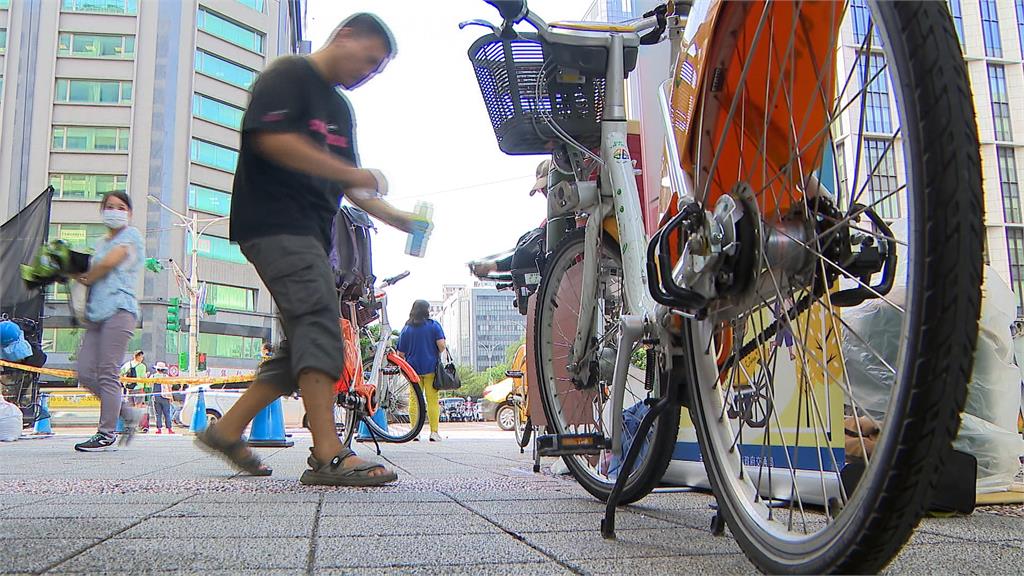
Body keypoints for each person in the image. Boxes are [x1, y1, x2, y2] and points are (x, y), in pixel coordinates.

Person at [195, 12, 420, 486]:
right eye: (369, 59)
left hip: (311, 233)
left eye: (379, 70)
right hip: (275, 222)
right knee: (322, 327)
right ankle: (326, 453)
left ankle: (229, 429)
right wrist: (351, 175)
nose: (370, 73)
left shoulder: (341, 111)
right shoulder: (288, 75)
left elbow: (355, 187)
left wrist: (398, 218)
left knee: (302, 342)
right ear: (346, 36)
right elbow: (271, 140)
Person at [73, 191, 145, 452]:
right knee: (84, 371)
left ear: (129, 212)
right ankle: (127, 413)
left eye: (120, 207)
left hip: (120, 310)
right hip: (96, 315)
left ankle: (106, 433)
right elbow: (93, 268)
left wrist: (88, 276)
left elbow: (113, 261)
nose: (114, 211)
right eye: (109, 206)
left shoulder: (131, 235)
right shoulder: (100, 242)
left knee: (107, 372)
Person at [396, 300, 447, 442]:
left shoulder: (407, 328)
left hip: (412, 370)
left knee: (414, 400)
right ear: (426, 310)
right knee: (432, 400)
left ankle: (414, 433)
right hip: (431, 367)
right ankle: (434, 433)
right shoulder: (433, 325)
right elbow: (442, 346)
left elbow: (400, 353)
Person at [150, 362, 174, 435]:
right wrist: (171, 396)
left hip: (156, 397)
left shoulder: (153, 376)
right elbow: (169, 387)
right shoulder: (166, 376)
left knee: (158, 414)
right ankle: (169, 429)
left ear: (157, 369)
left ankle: (159, 429)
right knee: (167, 413)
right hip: (165, 397)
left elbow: (149, 385)